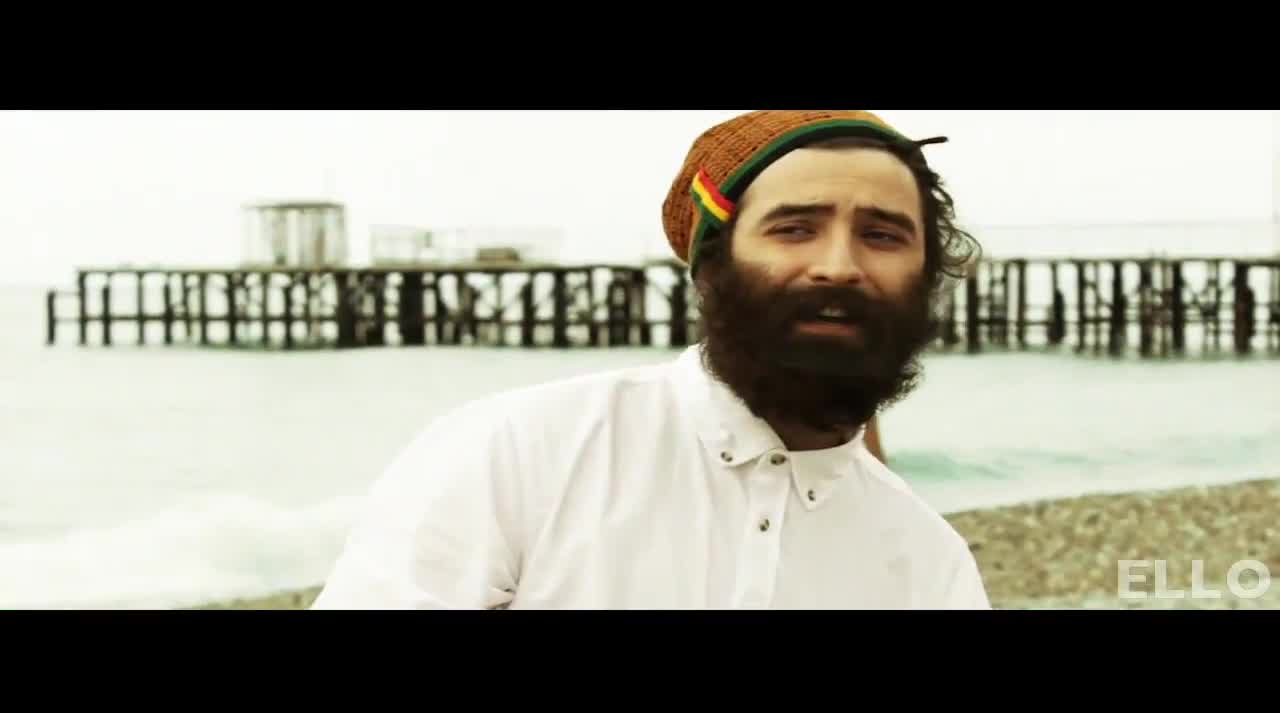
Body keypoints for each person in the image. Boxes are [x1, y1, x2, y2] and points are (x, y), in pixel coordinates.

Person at [311, 110, 988, 610]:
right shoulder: (519, 455)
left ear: (926, 278)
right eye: (794, 229)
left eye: (882, 235)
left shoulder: (928, 562)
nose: (838, 266)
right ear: (711, 268)